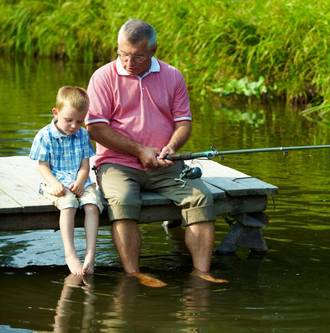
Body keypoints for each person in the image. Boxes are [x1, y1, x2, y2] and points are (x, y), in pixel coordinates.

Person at [85, 19, 226, 286]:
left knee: (201, 198)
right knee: (124, 201)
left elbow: (184, 122)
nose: (128, 63)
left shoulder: (172, 75)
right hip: (117, 163)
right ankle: (134, 273)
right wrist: (139, 150)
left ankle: (201, 272)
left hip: (166, 163)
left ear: (153, 50)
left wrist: (171, 147)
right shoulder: (103, 77)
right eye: (122, 54)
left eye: (137, 57)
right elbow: (96, 129)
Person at [30, 86, 103, 276]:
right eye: (68, 120)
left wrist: (80, 180)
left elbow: (85, 165)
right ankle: (70, 254)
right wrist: (54, 184)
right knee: (69, 203)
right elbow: (43, 166)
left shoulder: (83, 135)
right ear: (56, 112)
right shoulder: (45, 135)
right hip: (56, 181)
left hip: (81, 181)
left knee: (92, 205)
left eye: (79, 121)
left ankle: (90, 254)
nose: (73, 126)